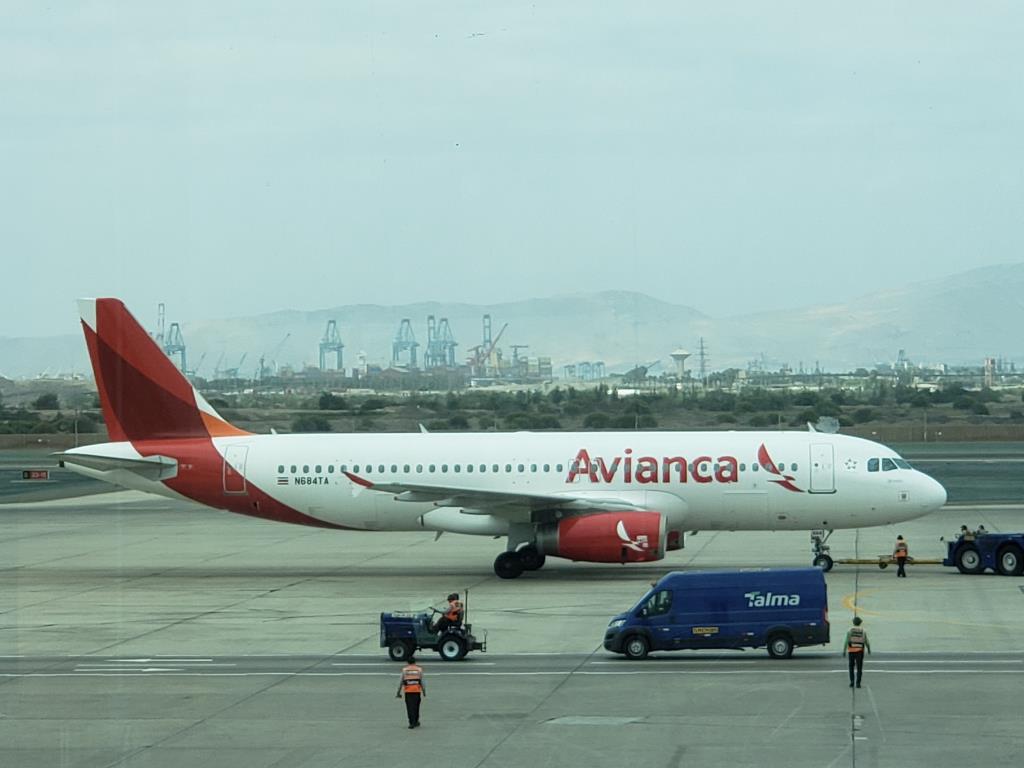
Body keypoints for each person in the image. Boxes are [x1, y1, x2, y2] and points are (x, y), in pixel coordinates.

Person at [396, 655, 425, 729]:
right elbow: (422, 682)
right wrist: (424, 691)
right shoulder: (419, 669)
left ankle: (411, 723)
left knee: (409, 707)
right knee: (416, 707)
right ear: (415, 662)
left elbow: (400, 682)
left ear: (407, 662)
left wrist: (398, 692)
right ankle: (416, 721)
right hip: (417, 691)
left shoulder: (404, 670)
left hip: (408, 691)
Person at [842, 616, 871, 688]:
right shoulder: (863, 631)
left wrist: (844, 650)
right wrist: (869, 649)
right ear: (860, 623)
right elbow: (866, 641)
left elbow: (847, 641)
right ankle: (858, 683)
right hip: (860, 651)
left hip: (851, 651)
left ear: (853, 622)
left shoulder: (850, 630)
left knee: (851, 667)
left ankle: (852, 682)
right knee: (859, 667)